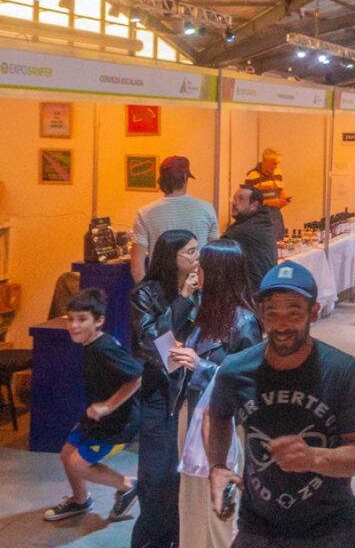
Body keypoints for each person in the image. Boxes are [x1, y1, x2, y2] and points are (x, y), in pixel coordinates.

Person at [205, 261, 355, 546]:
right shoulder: (235, 370)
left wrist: (313, 458)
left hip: (330, 527)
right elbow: (217, 416)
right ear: (261, 313)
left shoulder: (341, 370)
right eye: (272, 312)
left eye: (294, 311)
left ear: (314, 312)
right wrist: (218, 466)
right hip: (258, 527)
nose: (282, 324)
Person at [173, 240, 262, 548]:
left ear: (219, 274)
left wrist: (201, 367)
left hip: (222, 423)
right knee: (192, 499)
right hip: (192, 412)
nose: (196, 272)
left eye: (202, 267)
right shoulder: (203, 311)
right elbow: (161, 334)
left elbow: (248, 382)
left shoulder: (244, 323)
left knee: (219, 502)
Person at [45, 288, 142, 523]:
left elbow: (137, 377)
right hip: (98, 419)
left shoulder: (104, 348)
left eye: (82, 319)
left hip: (118, 424)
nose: (74, 325)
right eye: (70, 319)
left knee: (78, 464)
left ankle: (129, 486)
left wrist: (108, 406)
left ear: (99, 321)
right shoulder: (92, 345)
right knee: (67, 454)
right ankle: (80, 501)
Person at [130, 229, 200, 548]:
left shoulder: (203, 288)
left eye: (198, 251)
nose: (197, 258)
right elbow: (152, 342)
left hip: (195, 388)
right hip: (161, 392)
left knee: (186, 478)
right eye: (190, 252)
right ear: (171, 257)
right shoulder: (145, 294)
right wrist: (183, 299)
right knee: (157, 477)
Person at [130, 156, 218, 282]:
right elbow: (214, 260)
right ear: (185, 177)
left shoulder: (145, 213)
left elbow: (137, 269)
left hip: (160, 286)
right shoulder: (207, 209)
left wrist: (148, 292)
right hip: (196, 285)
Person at [223, 185, 278, 294]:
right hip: (264, 288)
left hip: (249, 292)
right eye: (234, 198)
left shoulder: (242, 230)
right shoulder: (263, 221)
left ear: (254, 205)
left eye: (240, 199)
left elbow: (216, 257)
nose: (233, 203)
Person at [244, 148, 291, 241]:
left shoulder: (277, 172)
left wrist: (284, 200)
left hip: (275, 214)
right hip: (259, 216)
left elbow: (281, 189)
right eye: (273, 163)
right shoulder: (252, 175)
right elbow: (249, 201)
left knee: (278, 240)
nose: (276, 166)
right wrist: (272, 202)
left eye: (277, 163)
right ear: (264, 161)